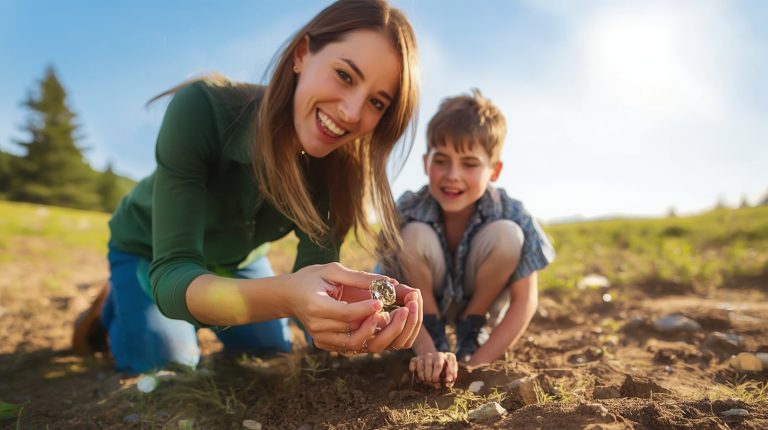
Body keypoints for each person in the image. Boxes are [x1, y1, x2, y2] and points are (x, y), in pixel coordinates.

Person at [71, 0, 423, 374]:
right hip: (152, 251)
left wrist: (351, 310)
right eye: (344, 75)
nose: (351, 112)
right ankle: (116, 302)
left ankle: (174, 310)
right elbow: (174, 274)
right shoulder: (202, 109)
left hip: (236, 262)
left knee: (268, 351)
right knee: (168, 362)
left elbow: (316, 282)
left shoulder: (339, 172)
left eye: (376, 101)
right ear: (302, 54)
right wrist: (286, 296)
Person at [379, 89, 555, 388]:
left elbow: (525, 300)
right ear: (425, 163)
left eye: (470, 164)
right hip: (417, 312)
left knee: (507, 235)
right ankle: (434, 332)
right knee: (413, 236)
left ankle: (472, 330)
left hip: (478, 300)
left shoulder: (512, 212)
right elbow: (387, 291)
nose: (453, 175)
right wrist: (426, 351)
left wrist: (475, 365)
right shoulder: (407, 209)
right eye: (441, 161)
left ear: (494, 171)